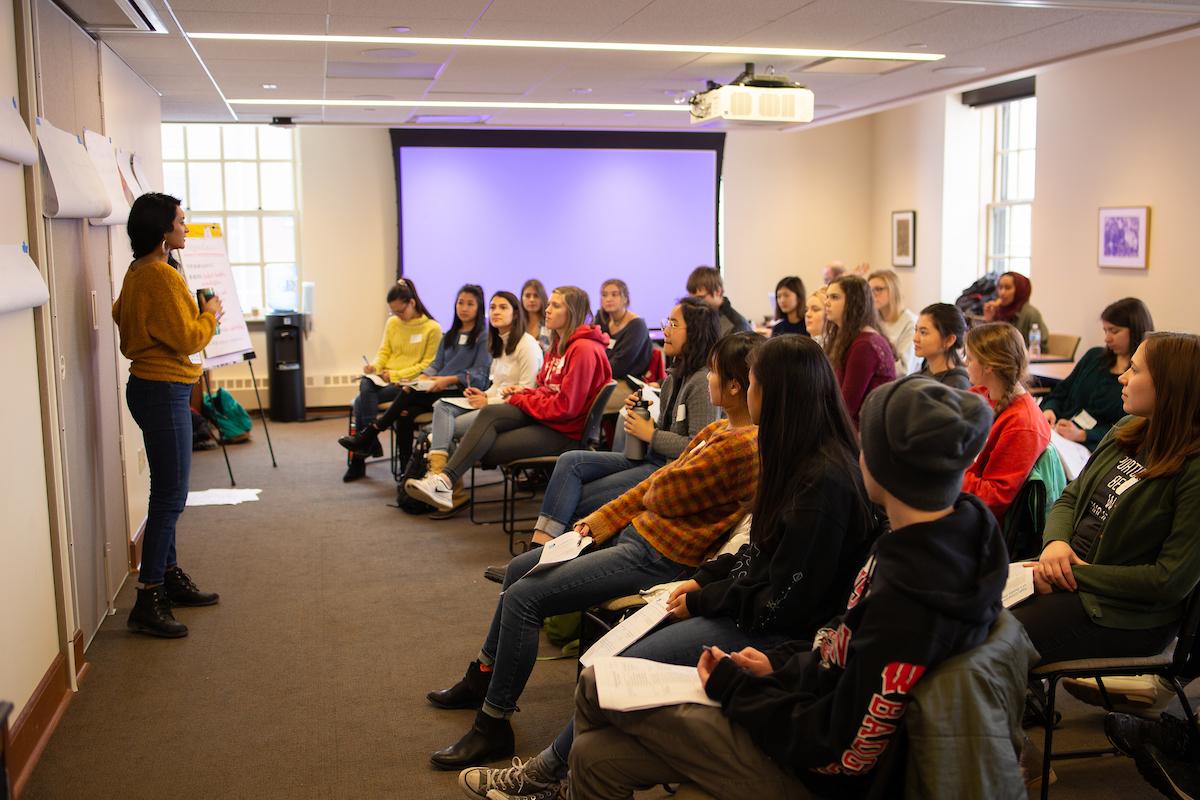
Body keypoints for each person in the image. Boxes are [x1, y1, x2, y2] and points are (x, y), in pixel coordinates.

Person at [459, 334, 876, 800]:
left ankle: (543, 768)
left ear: (774, 394)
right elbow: (757, 554)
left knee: (615, 669)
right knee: (550, 596)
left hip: (771, 632)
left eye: (753, 382)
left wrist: (704, 597)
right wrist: (706, 581)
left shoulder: (818, 483)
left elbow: (782, 601)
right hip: (730, 594)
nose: (746, 389)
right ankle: (554, 765)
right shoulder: (794, 458)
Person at [568, 375, 1005, 800]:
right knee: (593, 756)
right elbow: (844, 647)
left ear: (886, 465)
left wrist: (735, 689)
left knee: (596, 686)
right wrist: (780, 666)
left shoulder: (910, 599)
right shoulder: (930, 540)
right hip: (803, 708)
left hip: (816, 772)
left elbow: (843, 751)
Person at [424, 333, 764, 771]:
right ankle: (482, 676)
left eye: (715, 372)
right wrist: (599, 522)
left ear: (735, 386)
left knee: (525, 599)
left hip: (660, 557)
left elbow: (661, 492)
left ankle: (493, 723)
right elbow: (653, 485)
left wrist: (651, 489)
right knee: (520, 570)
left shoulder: (742, 446)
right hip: (639, 537)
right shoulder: (719, 430)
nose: (709, 377)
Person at [1013, 333, 1200, 669]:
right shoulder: (1129, 427)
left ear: (1170, 386)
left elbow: (1168, 581)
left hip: (1124, 614)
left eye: (1135, 370)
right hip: (1070, 576)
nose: (1122, 377)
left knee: (990, 634)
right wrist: (1055, 544)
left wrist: (1070, 574)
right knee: (967, 604)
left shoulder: (1194, 469)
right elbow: (1071, 495)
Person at [111, 193, 223, 638]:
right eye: (180, 221)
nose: (185, 227)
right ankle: (149, 595)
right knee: (171, 497)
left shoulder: (138, 270)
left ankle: (168, 576)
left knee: (165, 491)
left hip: (147, 386)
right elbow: (189, 338)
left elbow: (120, 314)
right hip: (164, 390)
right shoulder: (162, 275)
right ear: (163, 232)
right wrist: (209, 315)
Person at [527, 297, 721, 546]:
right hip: (653, 459)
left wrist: (650, 434)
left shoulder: (703, 381)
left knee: (575, 497)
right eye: (667, 323)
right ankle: (541, 547)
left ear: (695, 333)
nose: (665, 331)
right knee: (570, 461)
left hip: (667, 471)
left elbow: (698, 449)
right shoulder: (674, 376)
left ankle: (546, 553)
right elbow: (667, 431)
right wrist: (643, 417)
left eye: (673, 324)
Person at [405, 286, 612, 512]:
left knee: (482, 446)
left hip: (564, 432)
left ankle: (443, 483)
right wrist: (523, 394)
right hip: (546, 420)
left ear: (572, 311)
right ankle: (443, 483)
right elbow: (545, 389)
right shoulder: (559, 343)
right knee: (488, 416)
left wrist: (521, 399)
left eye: (555, 305)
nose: (547, 310)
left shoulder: (583, 349)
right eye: (549, 304)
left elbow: (566, 407)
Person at [337, 284, 490, 470]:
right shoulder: (450, 335)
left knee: (408, 391)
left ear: (479, 307)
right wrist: (424, 377)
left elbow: (480, 373)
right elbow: (436, 364)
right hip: (436, 389)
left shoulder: (483, 336)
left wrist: (448, 380)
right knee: (404, 414)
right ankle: (405, 471)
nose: (464, 308)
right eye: (460, 303)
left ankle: (370, 434)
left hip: (460, 392)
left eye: (470, 304)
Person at [422, 291, 543, 510]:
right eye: (493, 307)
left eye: (503, 307)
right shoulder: (500, 342)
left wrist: (489, 402)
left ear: (516, 313)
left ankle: (445, 487)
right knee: (441, 407)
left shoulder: (527, 345)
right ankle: (440, 480)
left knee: (442, 429)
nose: (496, 312)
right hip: (495, 404)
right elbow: (498, 384)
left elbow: (528, 391)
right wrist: (484, 394)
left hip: (514, 410)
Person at [344, 278, 441, 482]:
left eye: (400, 311)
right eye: (393, 312)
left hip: (407, 385)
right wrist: (374, 368)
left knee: (361, 401)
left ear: (412, 303)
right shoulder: (393, 323)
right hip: (385, 379)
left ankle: (361, 456)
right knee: (365, 382)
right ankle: (369, 442)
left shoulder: (432, 328)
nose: (397, 316)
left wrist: (396, 375)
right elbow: (384, 351)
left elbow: (428, 365)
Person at [961, 322, 1051, 525]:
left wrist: (949, 470)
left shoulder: (1022, 424)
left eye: (970, 357)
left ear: (989, 366)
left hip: (977, 519)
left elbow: (994, 498)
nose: (964, 362)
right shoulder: (980, 394)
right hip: (961, 496)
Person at [1041, 297, 1154, 451]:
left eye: (1114, 331)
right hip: (1058, 435)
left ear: (1135, 330)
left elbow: (1131, 427)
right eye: (1105, 330)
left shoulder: (1141, 378)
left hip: (1093, 447)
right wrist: (1050, 410)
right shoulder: (1093, 357)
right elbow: (1059, 392)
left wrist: (1083, 435)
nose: (1107, 338)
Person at [823, 275, 896, 428]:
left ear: (853, 302)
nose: (827, 302)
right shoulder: (848, 338)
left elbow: (847, 406)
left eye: (834, 297)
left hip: (864, 431)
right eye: (827, 297)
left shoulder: (864, 345)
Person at [595, 279, 653, 413]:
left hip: (628, 383)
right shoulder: (601, 319)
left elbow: (620, 366)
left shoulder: (637, 325)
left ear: (625, 298)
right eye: (604, 295)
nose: (608, 299)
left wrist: (594, 371)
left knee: (590, 400)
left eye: (614, 294)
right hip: (604, 379)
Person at [868, 269, 917, 375]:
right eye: (869, 290)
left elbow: (904, 369)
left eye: (878, 289)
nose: (872, 295)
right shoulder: (872, 320)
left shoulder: (910, 323)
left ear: (893, 291)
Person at [982, 271, 1049, 346]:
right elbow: (986, 345)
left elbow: (1042, 346)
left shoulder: (1031, 313)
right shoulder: (997, 312)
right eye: (1000, 287)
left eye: (1007, 288)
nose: (1002, 292)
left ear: (1019, 290)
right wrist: (988, 321)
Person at [914, 302, 970, 390]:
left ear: (949, 340)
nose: (915, 338)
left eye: (923, 332)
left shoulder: (957, 386)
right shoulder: (916, 378)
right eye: (916, 330)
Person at [687, 266, 751, 337]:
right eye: (691, 299)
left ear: (718, 291)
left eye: (700, 298)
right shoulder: (691, 319)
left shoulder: (739, 326)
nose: (694, 303)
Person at [521, 279, 551, 352]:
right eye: (527, 296)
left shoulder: (550, 323)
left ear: (543, 298)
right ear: (522, 298)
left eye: (536, 296)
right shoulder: (516, 323)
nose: (532, 300)